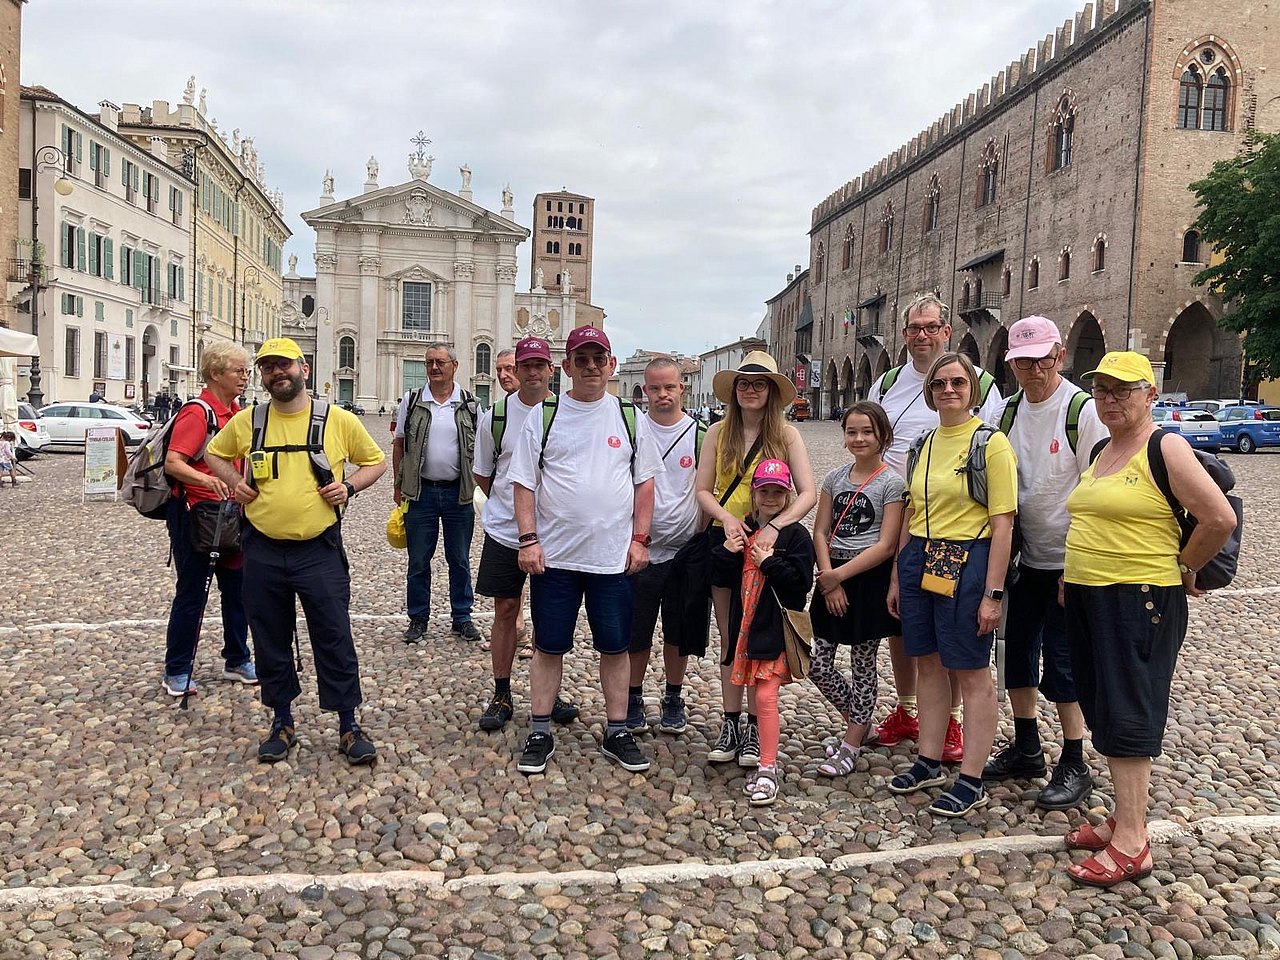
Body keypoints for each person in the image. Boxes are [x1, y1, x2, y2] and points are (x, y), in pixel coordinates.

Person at [1062, 351, 1233, 887]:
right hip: (1092, 595)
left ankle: (1133, 843)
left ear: (1149, 394)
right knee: (1102, 703)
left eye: (1123, 389)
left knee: (1129, 707)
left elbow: (1218, 518)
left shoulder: (1165, 446)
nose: (1110, 398)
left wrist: (1184, 566)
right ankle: (1123, 817)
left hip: (1139, 598)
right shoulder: (1102, 448)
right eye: (1102, 389)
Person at [205, 337, 387, 765]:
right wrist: (235, 481)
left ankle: (348, 725)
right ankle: (282, 722)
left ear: (303, 367)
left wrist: (350, 486)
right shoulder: (250, 420)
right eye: (268, 368)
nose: (276, 373)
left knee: (334, 636)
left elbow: (376, 461)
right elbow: (214, 453)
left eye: (283, 365)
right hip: (262, 549)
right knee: (269, 638)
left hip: (318, 550)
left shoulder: (337, 419)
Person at [508, 325, 662, 775]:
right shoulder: (545, 415)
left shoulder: (629, 417)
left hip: (612, 558)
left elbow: (645, 484)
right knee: (547, 646)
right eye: (582, 359)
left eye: (600, 358)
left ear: (611, 365)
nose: (591, 366)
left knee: (615, 648)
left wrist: (640, 539)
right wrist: (528, 539)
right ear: (566, 366)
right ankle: (539, 728)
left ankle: (617, 730)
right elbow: (524, 482)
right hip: (554, 557)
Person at [868, 294, 1005, 762]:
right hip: (904, 520)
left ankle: (955, 721)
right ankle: (910, 711)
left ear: (946, 330)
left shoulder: (985, 392)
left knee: (958, 640)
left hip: (963, 537)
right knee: (905, 626)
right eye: (913, 328)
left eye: (930, 326)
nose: (921, 335)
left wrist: (995, 585)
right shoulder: (886, 383)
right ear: (903, 334)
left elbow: (996, 475)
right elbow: (871, 443)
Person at [982, 316, 1109, 809]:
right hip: (1023, 557)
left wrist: (1077, 563)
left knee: (1063, 661)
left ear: (1059, 356)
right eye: (1022, 361)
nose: (1033, 369)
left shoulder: (1080, 410)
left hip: (1068, 558)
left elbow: (1098, 489)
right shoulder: (1008, 413)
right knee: (1015, 656)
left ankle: (1075, 758)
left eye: (1042, 359)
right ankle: (1027, 744)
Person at [887, 352, 1016, 817]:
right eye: (940, 383)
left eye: (957, 382)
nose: (948, 390)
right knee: (927, 663)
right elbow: (911, 512)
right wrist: (899, 574)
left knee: (970, 670)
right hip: (922, 555)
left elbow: (1003, 524)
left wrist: (993, 594)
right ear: (930, 390)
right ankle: (929, 757)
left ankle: (972, 777)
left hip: (968, 558)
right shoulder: (922, 444)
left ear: (972, 389)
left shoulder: (990, 444)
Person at [694, 351, 816, 767]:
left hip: (767, 545)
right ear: (734, 390)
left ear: (771, 392)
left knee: (760, 637)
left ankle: (752, 726)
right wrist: (728, 518)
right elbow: (704, 490)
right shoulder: (716, 433)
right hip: (728, 542)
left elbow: (808, 493)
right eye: (743, 383)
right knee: (732, 635)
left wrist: (776, 526)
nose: (750, 390)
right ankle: (731, 722)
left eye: (758, 384)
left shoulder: (786, 435)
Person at [472, 337, 577, 731]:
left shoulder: (567, 413)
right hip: (505, 531)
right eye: (525, 365)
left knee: (551, 615)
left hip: (555, 533)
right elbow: (483, 473)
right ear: (515, 369)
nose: (532, 372)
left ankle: (548, 691)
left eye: (539, 365)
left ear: (551, 369)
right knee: (505, 611)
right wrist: (511, 510)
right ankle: (501, 691)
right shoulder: (496, 416)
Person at [809, 402, 905, 777]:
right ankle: (861, 720)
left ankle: (851, 742)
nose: (859, 438)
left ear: (882, 435)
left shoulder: (891, 484)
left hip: (866, 580)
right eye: (852, 431)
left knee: (864, 662)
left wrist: (840, 576)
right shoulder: (834, 478)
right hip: (832, 573)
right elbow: (819, 530)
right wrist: (828, 575)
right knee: (818, 663)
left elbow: (886, 544)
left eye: (867, 431)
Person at [160, 342, 256, 697]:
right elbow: (175, 462)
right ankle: (177, 668)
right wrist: (207, 479)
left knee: (238, 591)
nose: (245, 377)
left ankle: (237, 657)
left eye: (246, 371)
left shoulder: (237, 412)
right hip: (196, 517)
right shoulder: (198, 413)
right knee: (193, 594)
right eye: (239, 371)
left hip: (231, 517)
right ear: (216, 373)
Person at [717, 459, 815, 806]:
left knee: (765, 697)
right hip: (746, 626)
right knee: (758, 693)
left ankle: (768, 768)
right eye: (765, 491)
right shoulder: (743, 530)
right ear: (754, 495)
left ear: (788, 496)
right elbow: (719, 574)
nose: (771, 498)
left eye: (778, 492)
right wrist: (727, 554)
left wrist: (769, 562)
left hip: (772, 626)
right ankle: (761, 757)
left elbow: (801, 585)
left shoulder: (796, 535)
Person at [625, 356, 704, 734]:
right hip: (641, 551)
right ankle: (633, 695)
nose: (661, 395)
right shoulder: (632, 429)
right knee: (636, 631)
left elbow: (707, 491)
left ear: (681, 388)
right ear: (645, 390)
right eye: (654, 388)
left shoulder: (700, 435)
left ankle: (674, 695)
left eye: (668, 387)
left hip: (685, 553)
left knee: (679, 632)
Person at [393, 343, 482, 644]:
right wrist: (398, 485)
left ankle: (462, 617)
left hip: (459, 495)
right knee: (418, 560)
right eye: (429, 362)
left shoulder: (470, 403)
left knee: (459, 558)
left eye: (440, 362)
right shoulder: (412, 400)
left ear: (454, 366)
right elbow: (399, 444)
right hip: (421, 494)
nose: (434, 367)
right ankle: (418, 618)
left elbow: (482, 450)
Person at [492, 346, 532, 654]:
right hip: (506, 522)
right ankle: (515, 628)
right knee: (506, 599)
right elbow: (484, 471)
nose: (505, 375)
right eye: (500, 370)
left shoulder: (557, 412)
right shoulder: (496, 415)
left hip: (550, 521)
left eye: (509, 368)